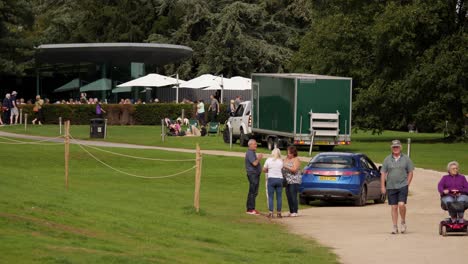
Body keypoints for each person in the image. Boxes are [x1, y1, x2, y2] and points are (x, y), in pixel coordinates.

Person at [380, 139, 414, 234]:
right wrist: (382, 186)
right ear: (392, 148)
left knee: (401, 205)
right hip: (391, 186)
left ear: (400, 148)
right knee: (394, 207)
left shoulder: (406, 159)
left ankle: (403, 222)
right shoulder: (387, 159)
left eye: (397, 147)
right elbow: (383, 173)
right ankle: (395, 226)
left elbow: (410, 172)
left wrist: (407, 183)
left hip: (403, 185)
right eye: (394, 147)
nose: (396, 149)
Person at [263, 148, 284, 218]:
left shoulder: (268, 160)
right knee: (279, 197)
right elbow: (282, 169)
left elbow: (264, 169)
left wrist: (268, 170)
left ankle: (271, 212)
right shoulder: (281, 161)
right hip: (279, 179)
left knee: (271, 196)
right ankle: (279, 212)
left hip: (271, 179)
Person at [245, 139, 263, 215]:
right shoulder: (250, 153)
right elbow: (254, 163)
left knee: (254, 192)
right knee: (252, 192)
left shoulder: (252, 152)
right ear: (250, 145)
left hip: (255, 174)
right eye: (255, 144)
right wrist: (259, 158)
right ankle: (250, 209)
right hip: (253, 175)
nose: (256, 145)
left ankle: (251, 208)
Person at [283, 146, 302, 217]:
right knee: (288, 196)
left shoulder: (296, 159)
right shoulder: (286, 159)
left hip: (294, 181)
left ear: (293, 153)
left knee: (293, 195)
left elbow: (294, 170)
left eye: (289, 153)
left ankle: (295, 211)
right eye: (287, 153)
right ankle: (291, 211)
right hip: (287, 181)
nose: (288, 154)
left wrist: (285, 166)